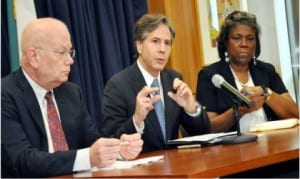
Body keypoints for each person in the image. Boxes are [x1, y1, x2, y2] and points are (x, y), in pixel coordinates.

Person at [1, 18, 143, 178]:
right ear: (34, 57)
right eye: (61, 53)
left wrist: (117, 150)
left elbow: (92, 142)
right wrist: (88, 158)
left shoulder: (71, 93)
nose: (70, 60)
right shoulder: (5, 95)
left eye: (70, 52)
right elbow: (21, 160)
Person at [101, 14, 210, 153]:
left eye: (167, 43)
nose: (162, 49)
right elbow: (111, 142)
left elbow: (203, 133)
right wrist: (136, 120)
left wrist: (191, 109)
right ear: (139, 45)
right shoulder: (117, 86)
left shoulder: (174, 79)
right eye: (155, 41)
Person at [196, 10, 299, 133]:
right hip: (232, 149)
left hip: (272, 143)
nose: (244, 44)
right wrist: (241, 109)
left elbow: (295, 114)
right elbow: (208, 127)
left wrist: (266, 93)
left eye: (250, 39)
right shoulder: (210, 75)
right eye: (237, 38)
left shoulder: (267, 70)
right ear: (225, 42)